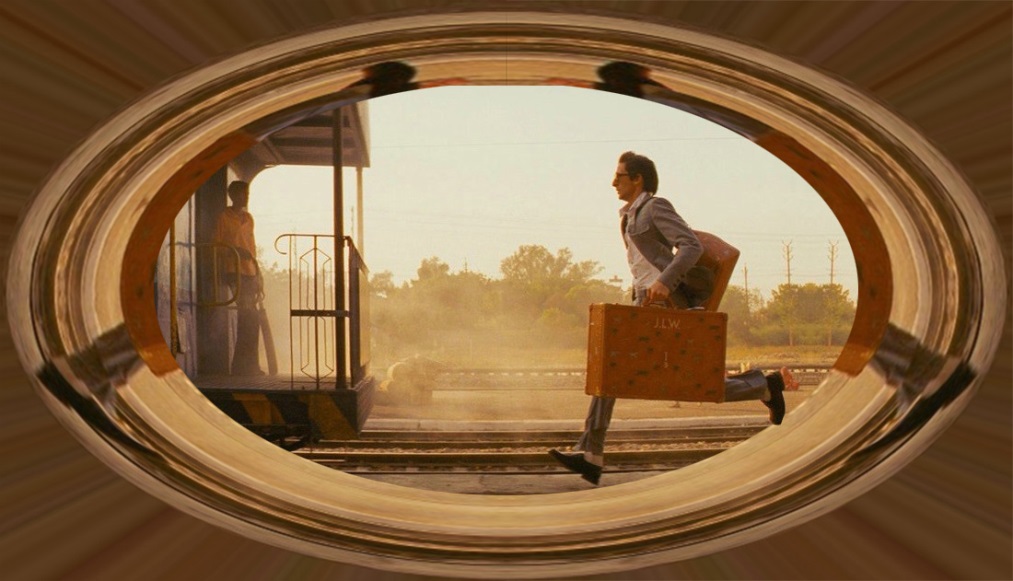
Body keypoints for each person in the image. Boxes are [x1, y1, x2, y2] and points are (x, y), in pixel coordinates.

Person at [550, 151, 796, 485]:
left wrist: (665, 281)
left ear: (637, 179)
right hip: (644, 301)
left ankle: (764, 386)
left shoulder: (655, 207)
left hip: (668, 302)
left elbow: (691, 246)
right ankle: (591, 453)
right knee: (612, 369)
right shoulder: (628, 216)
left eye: (619, 176)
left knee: (682, 381)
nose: (613, 182)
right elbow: (643, 265)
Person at [213, 180, 264, 376]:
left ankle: (249, 365)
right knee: (248, 315)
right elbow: (217, 245)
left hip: (250, 271)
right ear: (233, 195)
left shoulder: (249, 219)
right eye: (243, 193)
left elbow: (252, 247)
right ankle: (243, 366)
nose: (246, 197)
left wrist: (258, 274)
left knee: (251, 318)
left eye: (247, 193)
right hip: (233, 270)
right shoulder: (223, 218)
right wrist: (235, 251)